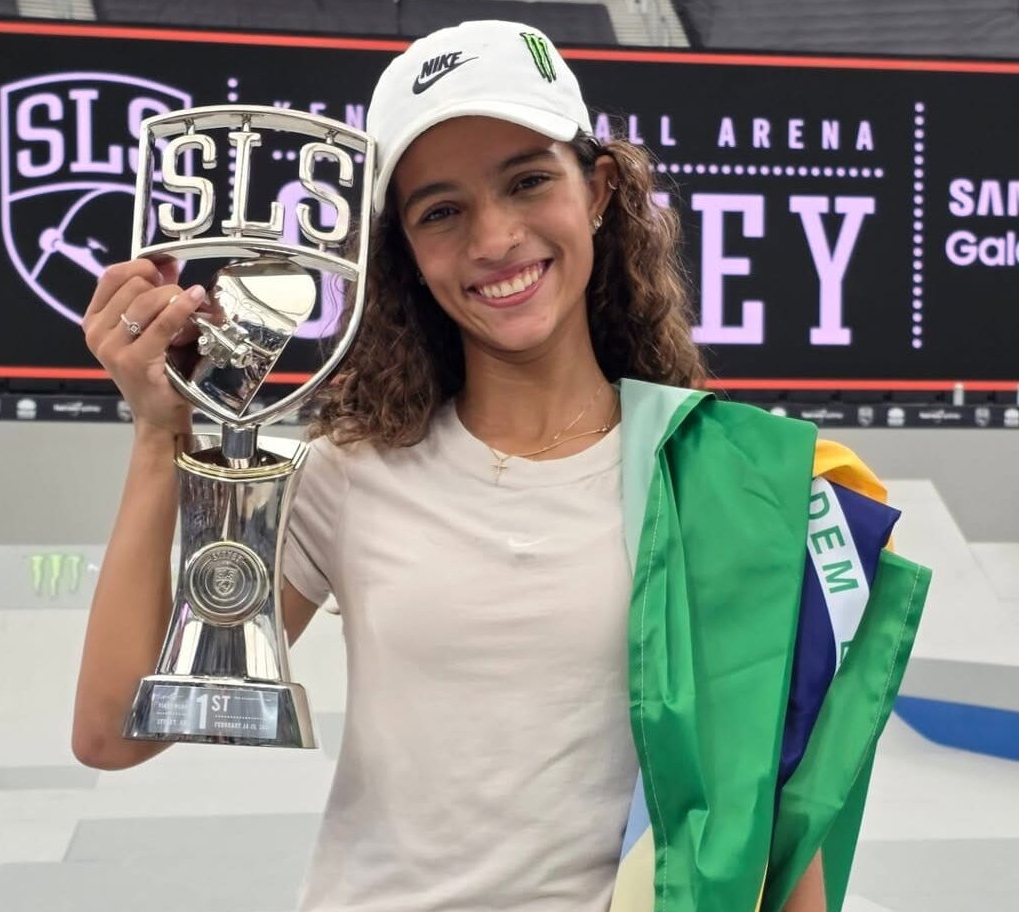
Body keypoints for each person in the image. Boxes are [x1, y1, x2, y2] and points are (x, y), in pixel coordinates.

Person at [73, 20, 928, 912]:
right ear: (403, 253)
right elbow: (113, 732)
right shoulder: (348, 474)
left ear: (598, 191)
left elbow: (768, 820)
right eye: (441, 211)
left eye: (527, 181)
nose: (494, 238)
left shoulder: (722, 481)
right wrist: (158, 435)